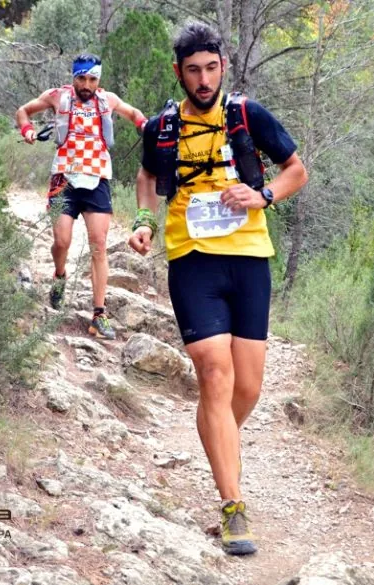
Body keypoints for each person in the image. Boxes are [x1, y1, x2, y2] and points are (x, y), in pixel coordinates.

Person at [128, 22, 308, 555]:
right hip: (192, 259)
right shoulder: (161, 126)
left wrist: (264, 196)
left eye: (211, 69)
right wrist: (143, 219)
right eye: (193, 71)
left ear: (223, 66)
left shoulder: (249, 116)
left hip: (250, 258)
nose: (203, 80)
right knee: (214, 371)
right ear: (178, 72)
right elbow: (145, 178)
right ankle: (233, 507)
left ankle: (216, 436)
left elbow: (296, 170)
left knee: (245, 389)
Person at [16, 54, 148, 340]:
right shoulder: (57, 97)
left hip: (97, 178)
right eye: (81, 78)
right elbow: (23, 111)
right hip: (63, 177)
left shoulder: (107, 100)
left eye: (92, 79)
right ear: (73, 77)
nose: (87, 85)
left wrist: (146, 126)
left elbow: (135, 114)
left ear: (98, 79)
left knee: (98, 244)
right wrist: (27, 130)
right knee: (61, 241)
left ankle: (99, 314)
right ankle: (60, 275)